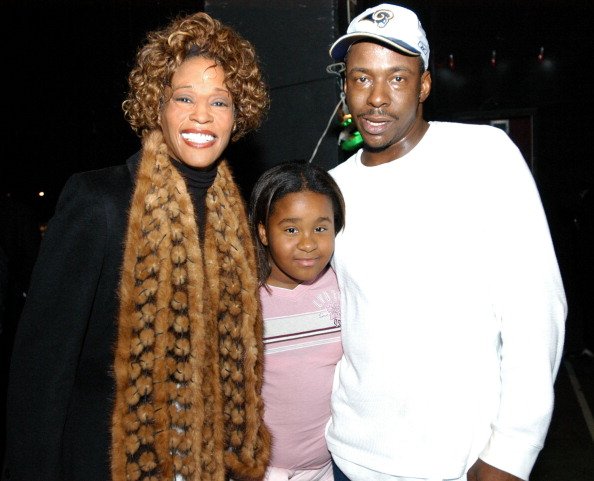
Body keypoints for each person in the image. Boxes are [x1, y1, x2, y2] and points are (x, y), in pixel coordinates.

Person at [4, 11, 271, 481]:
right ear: (157, 104)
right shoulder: (100, 200)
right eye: (184, 97)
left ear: (239, 113)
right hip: (105, 464)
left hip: (207, 465)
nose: (202, 116)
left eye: (220, 102)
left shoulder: (236, 219)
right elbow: (41, 373)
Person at [325, 4, 566, 481]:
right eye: (361, 78)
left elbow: (535, 310)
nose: (376, 98)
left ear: (425, 84)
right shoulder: (330, 188)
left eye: (397, 78)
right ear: (345, 86)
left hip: (457, 463)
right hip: (349, 458)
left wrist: (512, 453)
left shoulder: (484, 156)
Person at [249, 161, 345, 481]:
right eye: (291, 229)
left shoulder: (343, 288)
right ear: (263, 231)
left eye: (320, 228)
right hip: (261, 471)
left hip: (330, 468)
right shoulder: (243, 303)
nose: (307, 243)